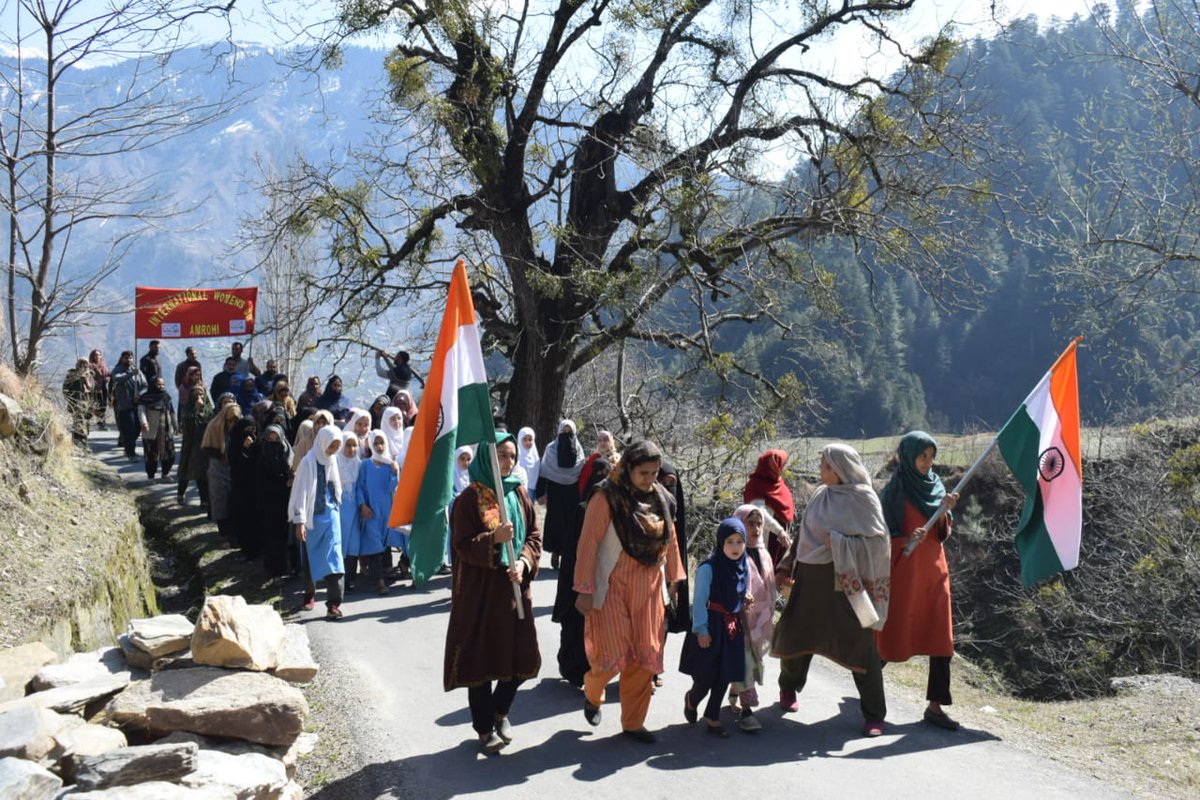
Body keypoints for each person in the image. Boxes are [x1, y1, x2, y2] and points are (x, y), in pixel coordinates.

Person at [770, 443, 892, 737]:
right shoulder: (820, 496)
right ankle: (788, 688)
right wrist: (787, 565)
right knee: (799, 634)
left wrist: (838, 543)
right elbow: (804, 534)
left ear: (840, 470)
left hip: (848, 585)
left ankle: (874, 714)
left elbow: (879, 544)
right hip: (812, 579)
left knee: (861, 645)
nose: (821, 469)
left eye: (826, 465)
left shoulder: (864, 500)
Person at [573, 439, 685, 743]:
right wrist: (584, 588)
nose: (650, 480)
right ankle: (593, 693)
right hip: (613, 585)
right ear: (628, 469)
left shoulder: (661, 498)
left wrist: (675, 577)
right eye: (643, 474)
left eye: (654, 473)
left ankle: (633, 723)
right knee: (612, 653)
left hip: (649, 589)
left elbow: (670, 539)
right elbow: (587, 544)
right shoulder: (606, 496)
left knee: (644, 656)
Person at [444, 432, 541, 755]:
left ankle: (501, 710)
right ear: (487, 458)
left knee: (522, 657)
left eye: (511, 456)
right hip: (482, 594)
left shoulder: (519, 493)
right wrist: (494, 540)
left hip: (515, 588)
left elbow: (534, 537)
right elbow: (460, 545)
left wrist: (525, 563)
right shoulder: (469, 500)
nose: (508, 461)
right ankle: (485, 728)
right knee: (481, 661)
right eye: (501, 455)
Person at [876, 430, 961, 731]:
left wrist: (943, 513)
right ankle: (869, 689)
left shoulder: (937, 487)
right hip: (904, 573)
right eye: (923, 456)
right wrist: (905, 540)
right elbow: (880, 538)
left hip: (935, 573)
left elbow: (943, 533)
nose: (928, 462)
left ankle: (935, 707)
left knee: (941, 637)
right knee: (893, 633)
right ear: (908, 455)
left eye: (931, 457)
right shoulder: (892, 493)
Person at [680, 518, 750, 738]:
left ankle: (713, 717)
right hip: (710, 626)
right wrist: (701, 630)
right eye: (730, 541)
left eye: (740, 542)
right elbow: (699, 601)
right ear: (721, 543)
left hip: (731, 627)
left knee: (725, 674)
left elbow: (738, 591)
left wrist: (744, 598)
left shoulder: (743, 565)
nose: (735, 547)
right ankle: (692, 699)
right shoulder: (708, 568)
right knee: (706, 675)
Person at [552, 457, 610, 687]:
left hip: (602, 576)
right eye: (598, 475)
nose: (602, 480)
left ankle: (590, 670)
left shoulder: (610, 507)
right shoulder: (581, 509)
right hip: (576, 577)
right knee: (574, 625)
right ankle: (571, 668)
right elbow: (574, 549)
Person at [728, 504, 777, 731]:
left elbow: (769, 587)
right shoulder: (734, 552)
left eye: (759, 524)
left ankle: (734, 689)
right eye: (750, 523)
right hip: (738, 619)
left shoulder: (764, 553)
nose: (756, 528)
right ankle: (747, 712)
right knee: (744, 660)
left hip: (758, 618)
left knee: (751, 659)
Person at [290, 425, 346, 619]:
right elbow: (301, 492)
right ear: (323, 442)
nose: (333, 450)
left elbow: (336, 486)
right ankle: (309, 594)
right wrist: (300, 521)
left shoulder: (332, 460)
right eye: (331, 446)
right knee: (310, 560)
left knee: (335, 559)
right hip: (312, 518)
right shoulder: (308, 462)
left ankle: (333, 604)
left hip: (330, 515)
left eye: (337, 446)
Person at [538, 419, 586, 569]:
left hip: (572, 492)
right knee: (555, 522)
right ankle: (555, 553)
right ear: (559, 432)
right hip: (555, 491)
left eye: (569, 432)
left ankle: (568, 555)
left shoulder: (578, 450)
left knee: (570, 523)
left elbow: (582, 474)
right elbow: (544, 472)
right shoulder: (551, 449)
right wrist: (541, 494)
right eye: (563, 432)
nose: (566, 434)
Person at [355, 430, 398, 595]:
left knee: (385, 543)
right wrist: (362, 505)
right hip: (371, 512)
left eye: (382, 443)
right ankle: (379, 581)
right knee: (374, 546)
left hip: (386, 512)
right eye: (376, 443)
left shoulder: (390, 464)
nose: (379, 447)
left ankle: (386, 573)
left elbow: (391, 488)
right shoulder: (366, 465)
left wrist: (395, 473)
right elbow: (359, 487)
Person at [743, 449, 795, 566]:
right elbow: (759, 513)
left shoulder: (777, 483)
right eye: (781, 465)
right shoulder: (756, 486)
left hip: (781, 542)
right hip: (765, 542)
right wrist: (779, 531)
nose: (783, 469)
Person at [201, 403, 242, 545]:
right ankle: (224, 534)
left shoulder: (240, 427)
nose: (233, 423)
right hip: (218, 468)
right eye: (230, 420)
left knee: (234, 502)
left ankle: (235, 534)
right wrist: (222, 456)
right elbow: (207, 447)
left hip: (235, 469)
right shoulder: (214, 426)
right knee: (220, 501)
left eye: (235, 420)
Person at [257, 424, 294, 579]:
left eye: (276, 438)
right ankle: (275, 570)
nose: (273, 441)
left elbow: (292, 468)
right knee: (273, 536)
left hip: (286, 498)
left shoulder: (287, 451)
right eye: (270, 438)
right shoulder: (261, 453)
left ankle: (291, 567)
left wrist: (291, 478)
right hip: (268, 500)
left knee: (288, 534)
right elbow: (258, 479)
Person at [226, 415, 261, 559]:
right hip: (240, 487)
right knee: (242, 519)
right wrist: (244, 449)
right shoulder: (234, 444)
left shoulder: (259, 442)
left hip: (257, 488)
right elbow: (234, 463)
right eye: (247, 429)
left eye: (253, 429)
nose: (250, 433)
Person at [336, 430, 365, 591]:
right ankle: (339, 579)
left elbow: (360, 486)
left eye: (355, 445)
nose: (352, 449)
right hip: (340, 507)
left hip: (354, 508)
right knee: (341, 544)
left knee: (354, 543)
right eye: (348, 445)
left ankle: (350, 578)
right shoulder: (335, 462)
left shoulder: (358, 464)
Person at [176, 385, 213, 505]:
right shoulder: (187, 407)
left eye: (201, 394)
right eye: (196, 394)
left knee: (202, 472)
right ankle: (180, 494)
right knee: (185, 469)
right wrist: (196, 409)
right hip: (190, 443)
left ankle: (204, 500)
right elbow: (187, 422)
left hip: (203, 444)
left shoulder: (209, 409)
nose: (199, 397)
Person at [136, 376, 177, 479]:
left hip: (166, 430)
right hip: (151, 431)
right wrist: (144, 423)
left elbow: (171, 412)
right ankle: (151, 476)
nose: (161, 386)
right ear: (153, 385)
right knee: (151, 454)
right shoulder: (145, 398)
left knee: (170, 453)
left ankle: (165, 473)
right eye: (159, 384)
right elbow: (141, 411)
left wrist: (176, 425)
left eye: (163, 384)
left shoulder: (166, 397)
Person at [111, 351, 147, 458]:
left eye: (130, 358)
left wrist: (139, 395)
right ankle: (130, 452)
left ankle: (129, 447)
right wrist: (131, 374)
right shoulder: (118, 370)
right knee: (129, 429)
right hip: (125, 405)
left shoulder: (137, 371)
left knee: (137, 429)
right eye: (126, 358)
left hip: (137, 404)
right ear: (122, 359)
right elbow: (118, 378)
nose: (128, 360)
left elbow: (145, 385)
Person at [62, 358, 95, 445]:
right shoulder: (71, 375)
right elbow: (65, 389)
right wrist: (71, 400)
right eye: (81, 363)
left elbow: (92, 389)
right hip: (76, 403)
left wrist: (86, 381)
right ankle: (77, 442)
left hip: (87, 403)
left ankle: (84, 441)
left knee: (86, 422)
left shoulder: (90, 375)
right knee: (78, 421)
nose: (83, 366)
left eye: (85, 364)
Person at [88, 349, 111, 430]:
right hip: (95, 389)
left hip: (104, 387)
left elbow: (108, 374)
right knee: (97, 406)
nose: (97, 356)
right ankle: (100, 423)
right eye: (96, 355)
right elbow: (89, 377)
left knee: (104, 405)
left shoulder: (103, 365)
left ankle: (102, 423)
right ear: (93, 356)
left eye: (99, 354)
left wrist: (107, 378)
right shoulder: (91, 366)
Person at [516, 427, 540, 503]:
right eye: (524, 439)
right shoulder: (516, 455)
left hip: (531, 489)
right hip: (518, 488)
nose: (527, 442)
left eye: (530, 440)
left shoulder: (535, 457)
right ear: (520, 439)